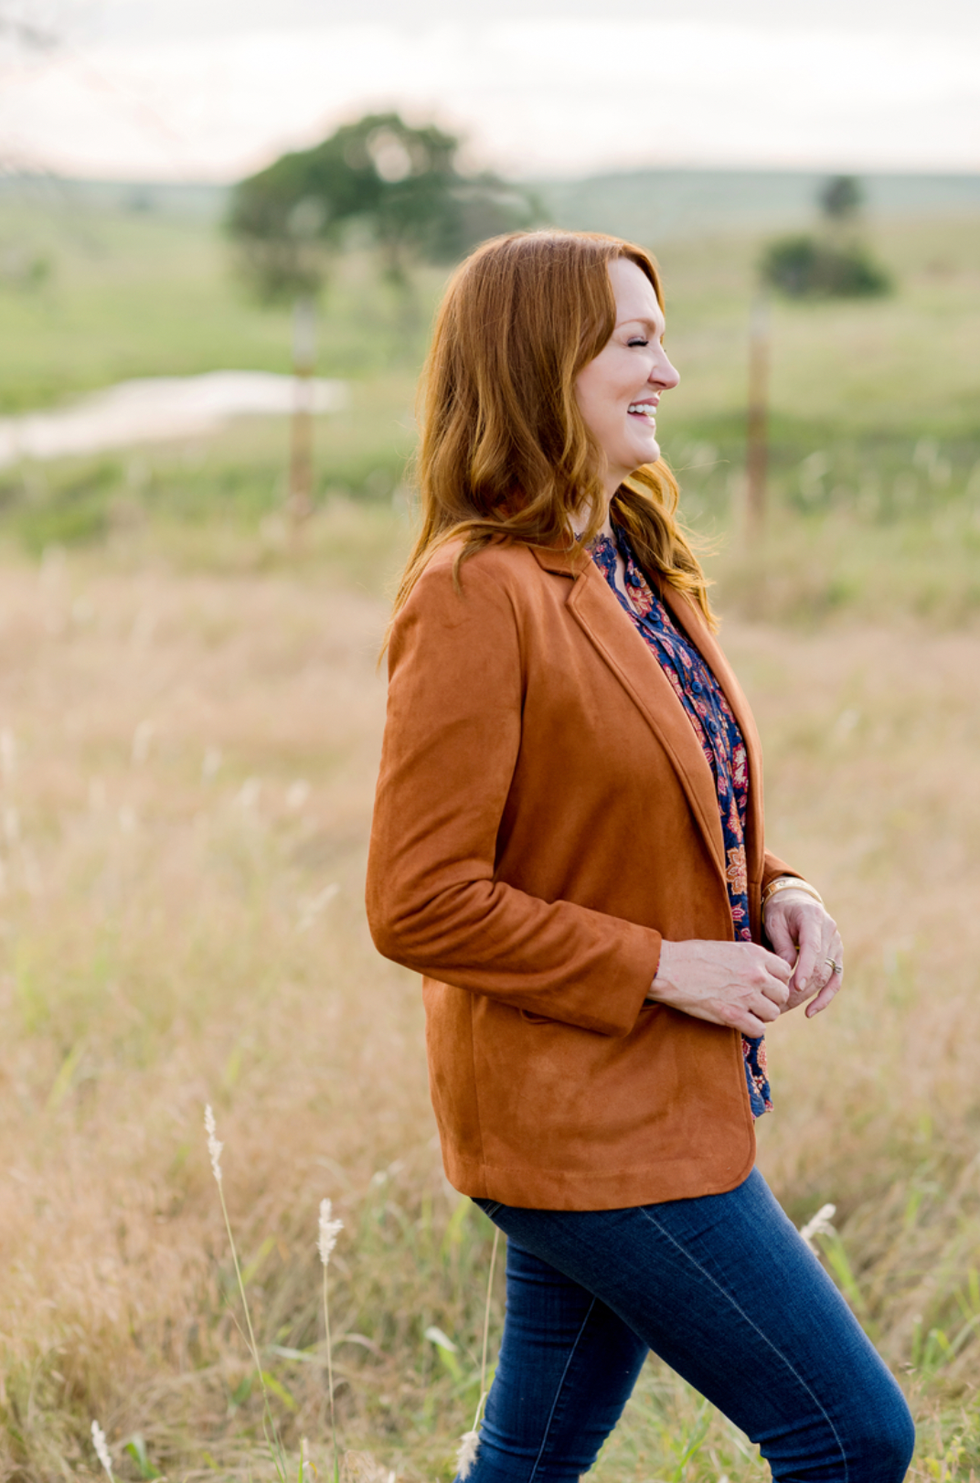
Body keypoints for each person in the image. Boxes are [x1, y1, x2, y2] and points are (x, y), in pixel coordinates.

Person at [366, 231, 914, 1482]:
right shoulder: (472, 592)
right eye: (633, 341)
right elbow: (417, 902)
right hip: (580, 1119)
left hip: (658, 1100)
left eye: (659, 337)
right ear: (537, 362)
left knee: (531, 1453)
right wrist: (666, 964)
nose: (666, 368)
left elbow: (687, 792)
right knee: (851, 1435)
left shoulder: (639, 558)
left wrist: (786, 890)